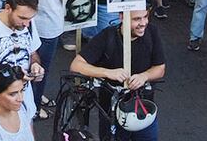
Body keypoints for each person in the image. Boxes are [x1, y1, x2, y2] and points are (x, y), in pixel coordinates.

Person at [71, 9, 166, 141]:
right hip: (112, 112)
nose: (143, 23)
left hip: (144, 110)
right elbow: (76, 65)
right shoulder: (107, 36)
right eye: (137, 19)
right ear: (122, 17)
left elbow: (160, 68)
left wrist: (144, 76)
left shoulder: (152, 32)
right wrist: (108, 73)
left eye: (145, 17)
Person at [17, 0, 84, 119]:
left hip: (30, 25)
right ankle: (35, 107)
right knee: (41, 69)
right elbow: (70, 2)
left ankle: (33, 97)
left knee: (28, 63)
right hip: (49, 30)